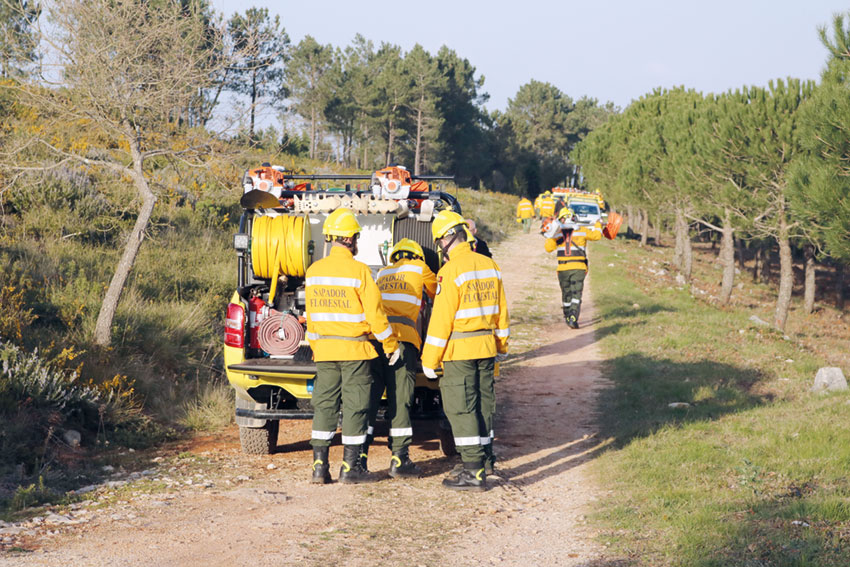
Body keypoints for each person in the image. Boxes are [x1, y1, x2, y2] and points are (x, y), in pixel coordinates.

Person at [305, 208, 400, 484]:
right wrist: (390, 345)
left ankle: (320, 468)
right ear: (349, 239)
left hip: (325, 353)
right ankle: (351, 468)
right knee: (355, 406)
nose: (357, 242)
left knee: (325, 406)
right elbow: (376, 315)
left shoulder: (313, 272)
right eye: (356, 237)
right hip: (355, 352)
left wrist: (317, 347)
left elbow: (311, 317)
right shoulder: (359, 271)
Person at [421, 211, 510, 491]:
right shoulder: (490, 265)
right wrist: (502, 346)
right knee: (483, 405)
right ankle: (484, 460)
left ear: (446, 240)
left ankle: (472, 472)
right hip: (486, 348)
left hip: (459, 351)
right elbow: (502, 312)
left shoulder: (450, 271)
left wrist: (429, 360)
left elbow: (441, 321)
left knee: (462, 408)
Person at [363, 238, 437, 478]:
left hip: (377, 339)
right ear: (417, 256)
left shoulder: (383, 272)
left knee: (371, 399)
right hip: (403, 340)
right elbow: (438, 293)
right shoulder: (420, 268)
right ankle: (399, 458)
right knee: (400, 399)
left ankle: (359, 457)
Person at [543, 206, 603, 329]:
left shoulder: (557, 233)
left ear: (561, 219)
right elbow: (597, 236)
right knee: (576, 294)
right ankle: (573, 318)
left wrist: (550, 235)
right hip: (578, 268)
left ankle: (567, 316)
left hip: (563, 269)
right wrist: (598, 224)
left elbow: (548, 248)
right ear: (574, 218)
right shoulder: (582, 230)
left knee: (566, 294)